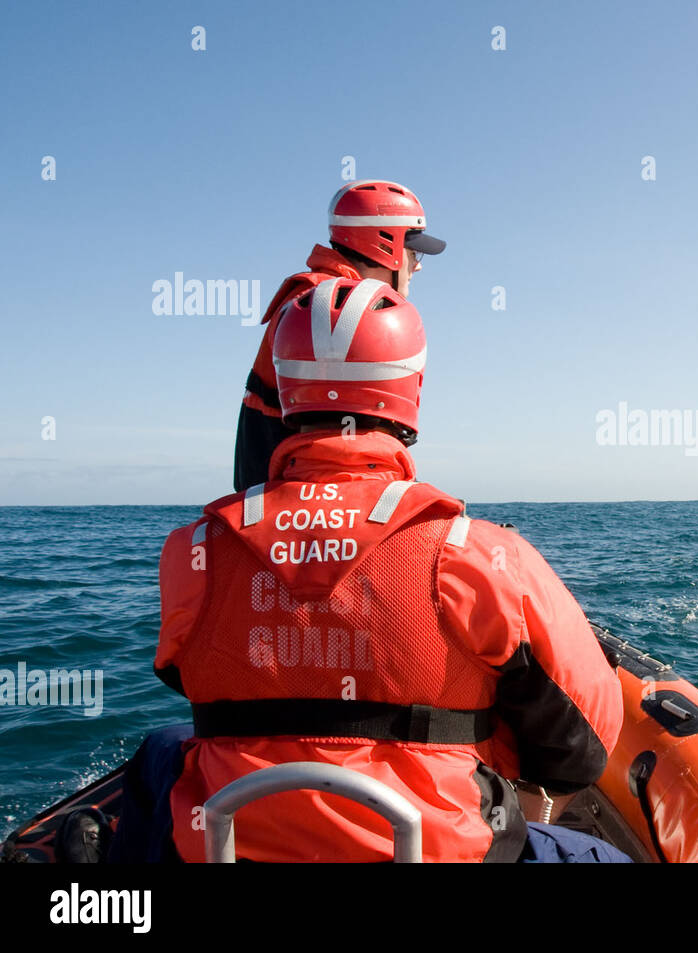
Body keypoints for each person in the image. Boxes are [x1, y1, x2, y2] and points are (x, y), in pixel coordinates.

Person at [108, 278, 627, 863]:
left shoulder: (193, 550)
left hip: (231, 841)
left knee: (161, 753)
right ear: (412, 388)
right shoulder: (473, 552)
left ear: (286, 391)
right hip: (441, 847)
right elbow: (582, 749)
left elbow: (188, 676)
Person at [234, 180, 447, 493]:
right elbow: (345, 445)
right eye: (414, 252)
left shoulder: (308, 303)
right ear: (385, 246)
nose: (417, 267)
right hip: (310, 504)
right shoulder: (329, 314)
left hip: (279, 502)